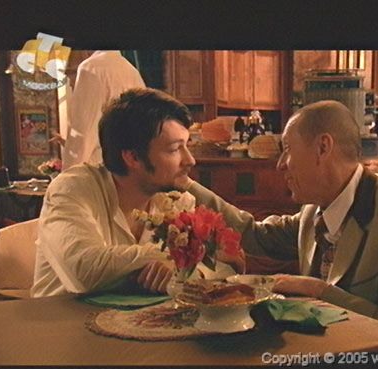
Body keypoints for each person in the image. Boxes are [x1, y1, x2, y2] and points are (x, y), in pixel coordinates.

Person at [175, 100, 378, 355]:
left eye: (287, 150)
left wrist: (318, 290)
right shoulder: (314, 210)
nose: (280, 165)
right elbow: (254, 235)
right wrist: (184, 183)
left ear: (323, 147)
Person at [31, 88, 242, 297]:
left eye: (187, 146)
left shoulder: (178, 200)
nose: (190, 160)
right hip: (58, 317)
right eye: (174, 149)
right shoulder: (72, 188)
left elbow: (227, 268)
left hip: (142, 318)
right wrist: (178, 256)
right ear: (132, 157)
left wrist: (189, 267)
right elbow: (84, 270)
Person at [53, 51, 146, 170]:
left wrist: (68, 176)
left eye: (72, 73)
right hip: (129, 169)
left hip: (99, 169)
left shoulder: (91, 69)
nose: (71, 83)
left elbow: (82, 136)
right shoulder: (132, 71)